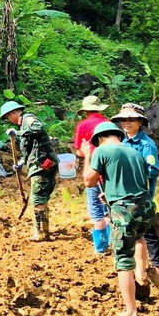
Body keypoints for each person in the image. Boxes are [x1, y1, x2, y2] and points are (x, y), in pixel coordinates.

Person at [86, 121, 155, 316]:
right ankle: (142, 276)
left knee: (123, 260)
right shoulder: (134, 151)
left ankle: (131, 311)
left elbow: (89, 181)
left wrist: (88, 156)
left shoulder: (102, 150)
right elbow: (144, 182)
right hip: (146, 206)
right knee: (139, 237)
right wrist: (110, 195)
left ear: (99, 139)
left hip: (124, 211)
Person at [112, 104, 159, 279]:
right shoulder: (122, 142)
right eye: (123, 120)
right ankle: (141, 267)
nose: (126, 123)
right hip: (124, 194)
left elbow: (153, 170)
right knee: (136, 232)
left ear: (139, 122)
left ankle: (158, 265)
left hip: (142, 194)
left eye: (131, 120)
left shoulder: (146, 144)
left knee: (146, 232)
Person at [0, 100, 58, 241]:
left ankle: (41, 233)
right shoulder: (24, 122)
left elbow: (38, 128)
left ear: (13, 113)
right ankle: (44, 230)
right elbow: (32, 147)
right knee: (40, 198)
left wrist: (17, 133)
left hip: (43, 165)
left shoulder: (28, 119)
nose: (9, 120)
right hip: (38, 163)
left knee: (37, 198)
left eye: (8, 117)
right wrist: (21, 162)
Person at [73, 96, 112, 254]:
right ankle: (111, 241)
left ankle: (101, 247)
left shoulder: (83, 125)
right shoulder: (109, 124)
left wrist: (88, 153)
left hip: (93, 169)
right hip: (110, 170)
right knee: (108, 207)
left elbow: (79, 151)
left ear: (85, 110)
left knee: (96, 210)